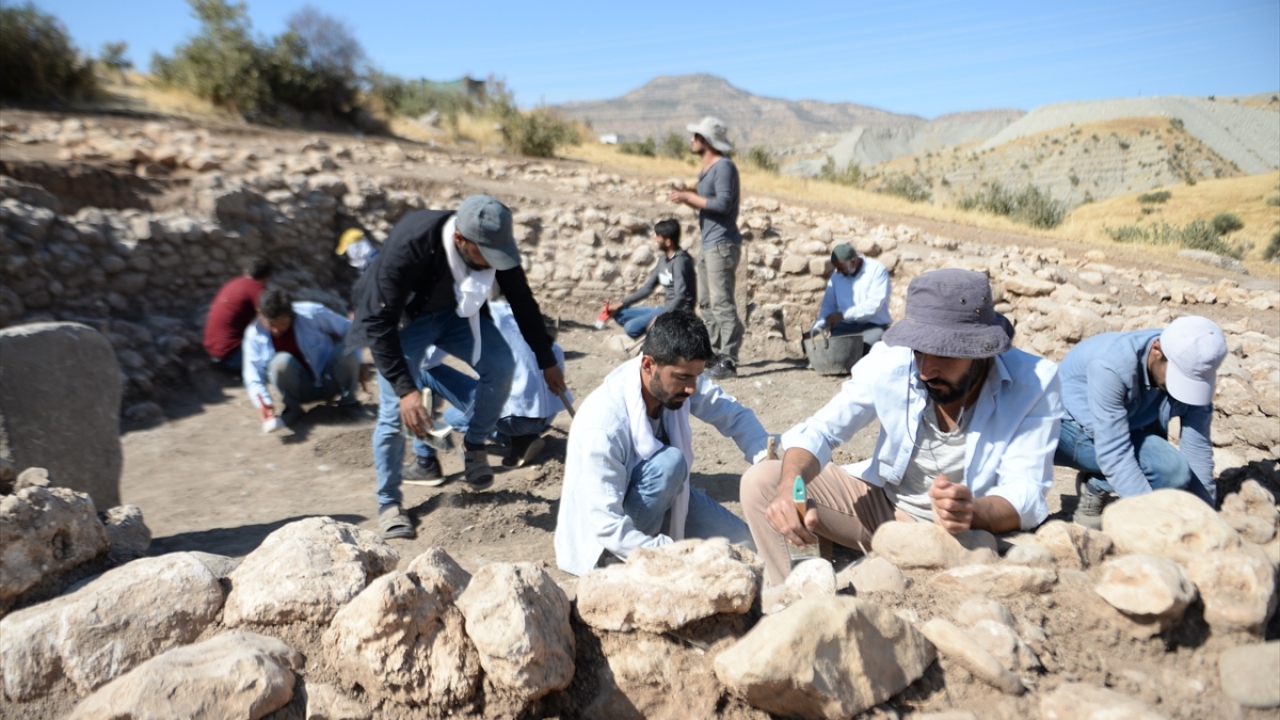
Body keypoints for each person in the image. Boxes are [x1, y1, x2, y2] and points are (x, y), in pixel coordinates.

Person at [741, 269, 1062, 586]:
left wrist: (972, 511)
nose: (925, 370)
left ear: (981, 351)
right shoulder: (891, 361)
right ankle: (796, 601)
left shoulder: (1035, 383)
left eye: (943, 355)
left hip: (965, 533)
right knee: (764, 480)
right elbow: (822, 430)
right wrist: (789, 488)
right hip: (888, 509)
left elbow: (1026, 490)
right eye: (920, 351)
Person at [349, 194, 565, 541]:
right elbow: (378, 322)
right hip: (408, 320)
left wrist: (546, 360)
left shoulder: (493, 244)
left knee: (500, 366)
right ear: (459, 240)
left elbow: (522, 301)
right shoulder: (411, 245)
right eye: (485, 256)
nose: (492, 263)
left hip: (458, 313)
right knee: (393, 414)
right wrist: (406, 390)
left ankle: (475, 445)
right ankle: (389, 503)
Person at [555, 310, 774, 576]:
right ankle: (620, 566)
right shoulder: (604, 425)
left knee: (745, 546)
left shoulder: (680, 382)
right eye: (683, 377)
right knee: (669, 464)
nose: (692, 388)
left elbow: (734, 414)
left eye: (697, 376)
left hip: (668, 501)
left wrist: (767, 461)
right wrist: (671, 554)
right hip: (607, 542)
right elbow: (606, 524)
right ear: (648, 364)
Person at [1055, 316, 1225, 527]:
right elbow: (1114, 451)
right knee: (1170, 470)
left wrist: (1205, 518)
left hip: (1121, 425)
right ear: (1156, 350)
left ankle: (1100, 481)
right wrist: (1152, 522)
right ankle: (1096, 487)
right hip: (1066, 430)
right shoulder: (1110, 365)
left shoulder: (1193, 361)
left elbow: (1197, 448)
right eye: (1177, 379)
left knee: (1173, 471)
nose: (1180, 389)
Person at [405, 301, 573, 482]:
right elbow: (555, 352)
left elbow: (425, 361)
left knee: (421, 372)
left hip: (512, 417)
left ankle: (425, 463)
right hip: (543, 418)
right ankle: (520, 440)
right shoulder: (510, 309)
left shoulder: (454, 315)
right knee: (452, 418)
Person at [669, 116, 744, 380]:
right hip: (710, 242)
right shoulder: (709, 168)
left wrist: (688, 196)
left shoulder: (724, 167)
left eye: (696, 136)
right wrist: (685, 196)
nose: (691, 140)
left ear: (707, 141)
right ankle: (713, 354)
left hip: (722, 243)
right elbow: (707, 202)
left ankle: (730, 359)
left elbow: (722, 205)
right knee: (707, 302)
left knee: (722, 302)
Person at [242, 288, 362, 428]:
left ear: (291, 314)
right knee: (280, 362)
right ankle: (293, 408)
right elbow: (253, 376)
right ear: (260, 314)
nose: (276, 330)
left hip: (330, 381)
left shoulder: (312, 312)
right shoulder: (253, 335)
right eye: (271, 325)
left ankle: (349, 403)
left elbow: (348, 328)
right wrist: (264, 404)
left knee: (346, 351)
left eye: (282, 324)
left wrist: (360, 361)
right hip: (300, 391)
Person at [609, 218, 696, 339]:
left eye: (658, 236)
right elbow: (648, 287)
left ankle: (660, 340)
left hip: (678, 313)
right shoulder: (663, 259)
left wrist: (661, 318)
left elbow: (681, 296)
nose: (655, 239)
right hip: (665, 308)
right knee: (620, 314)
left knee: (630, 327)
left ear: (668, 242)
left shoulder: (681, 261)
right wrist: (621, 303)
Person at [810, 243, 892, 348]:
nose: (838, 272)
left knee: (864, 349)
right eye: (836, 268)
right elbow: (828, 306)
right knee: (835, 351)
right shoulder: (836, 276)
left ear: (853, 261)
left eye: (841, 268)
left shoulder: (877, 270)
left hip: (873, 327)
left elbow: (873, 305)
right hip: (845, 327)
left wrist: (843, 315)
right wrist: (815, 330)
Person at [203, 256, 272, 373]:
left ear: (246, 271)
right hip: (232, 357)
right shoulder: (257, 289)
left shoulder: (234, 283)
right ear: (267, 277)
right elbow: (271, 320)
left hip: (213, 353)